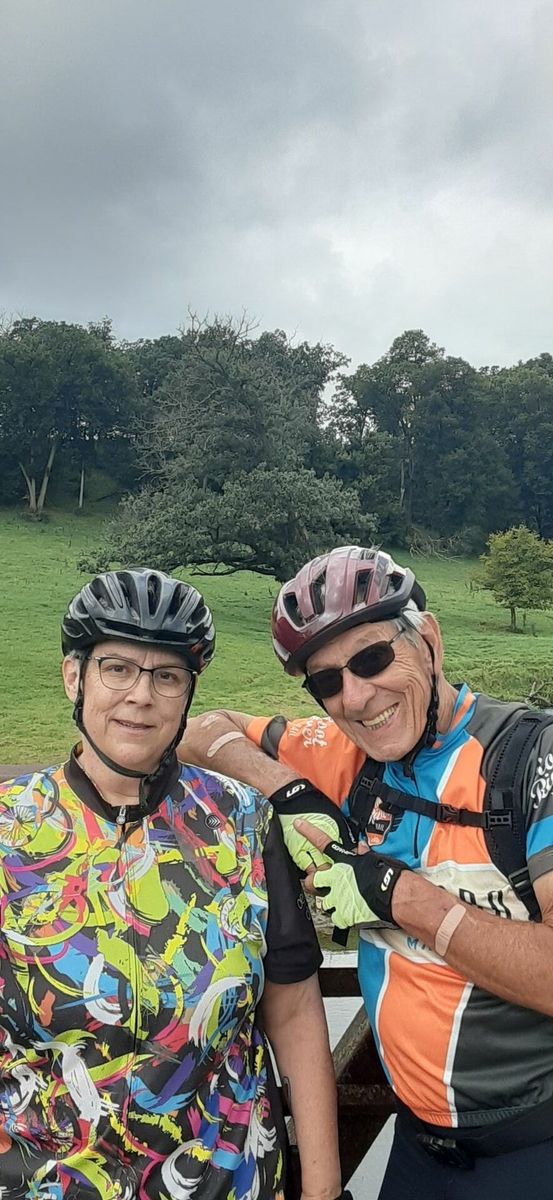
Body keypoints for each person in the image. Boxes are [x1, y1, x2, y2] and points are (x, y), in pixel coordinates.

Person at [180, 545, 553, 1200]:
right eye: (326, 682)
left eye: (373, 659)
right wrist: (287, 789)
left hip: (532, 1144)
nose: (355, 697)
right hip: (416, 1148)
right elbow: (201, 731)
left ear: (428, 640)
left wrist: (399, 895)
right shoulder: (343, 754)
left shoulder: (529, 756)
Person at [0, 568, 344, 1200]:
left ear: (188, 695)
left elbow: (294, 1010)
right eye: (117, 668)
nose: (141, 695)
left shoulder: (243, 821)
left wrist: (322, 1188)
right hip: (46, 1180)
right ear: (74, 677)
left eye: (167, 676)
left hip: (227, 1179)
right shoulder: (8, 829)